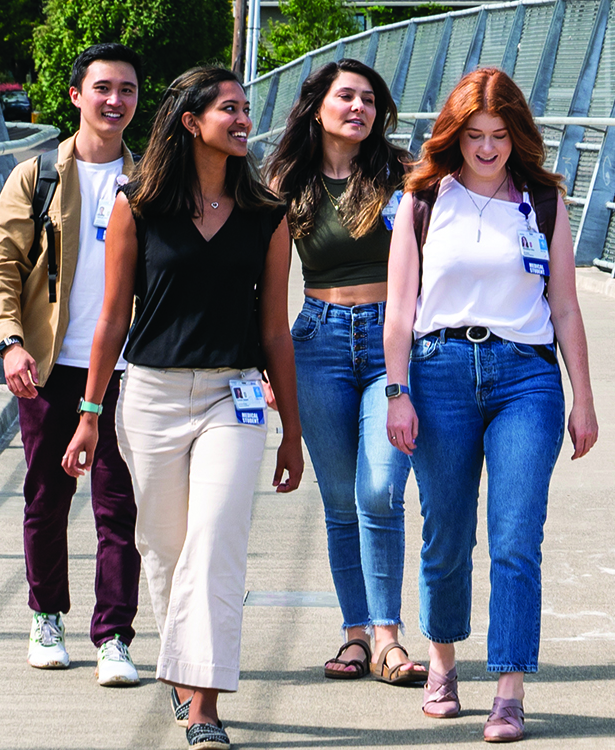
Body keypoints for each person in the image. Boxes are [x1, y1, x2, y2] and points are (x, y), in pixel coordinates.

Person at [61, 66, 303, 750]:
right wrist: (88, 413)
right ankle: (182, 668)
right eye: (229, 108)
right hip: (152, 397)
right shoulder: (135, 204)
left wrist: (292, 430)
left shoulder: (266, 215)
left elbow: (275, 330)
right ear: (191, 121)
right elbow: (111, 322)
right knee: (164, 549)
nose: (244, 119)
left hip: (234, 396)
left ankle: (204, 705)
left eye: (246, 108)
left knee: (215, 543)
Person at [384, 67, 599, 744]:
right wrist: (397, 392)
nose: (485, 148)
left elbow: (564, 305)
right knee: (446, 535)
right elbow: (399, 311)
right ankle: (443, 665)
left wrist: (584, 397)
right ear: (455, 135)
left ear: (517, 135)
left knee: (515, 537)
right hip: (439, 369)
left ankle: (509, 688)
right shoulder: (422, 199)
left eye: (498, 135)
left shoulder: (541, 200)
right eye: (473, 135)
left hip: (524, 378)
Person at [0, 42, 144, 687]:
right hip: (51, 366)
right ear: (76, 96)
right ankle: (47, 615)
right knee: (47, 497)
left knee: (118, 506)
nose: (114, 100)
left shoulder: (151, 177)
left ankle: (114, 637)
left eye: (127, 90)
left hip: (129, 370)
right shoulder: (38, 176)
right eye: (102, 88)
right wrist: (9, 341)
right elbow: (0, 265)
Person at [264, 59, 427, 687]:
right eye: (346, 97)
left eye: (368, 99)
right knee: (338, 502)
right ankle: (356, 635)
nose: (358, 108)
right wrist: (270, 367)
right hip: (317, 341)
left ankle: (389, 637)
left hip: (392, 341)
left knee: (381, 490)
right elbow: (267, 283)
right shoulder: (285, 181)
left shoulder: (403, 173)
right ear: (318, 106)